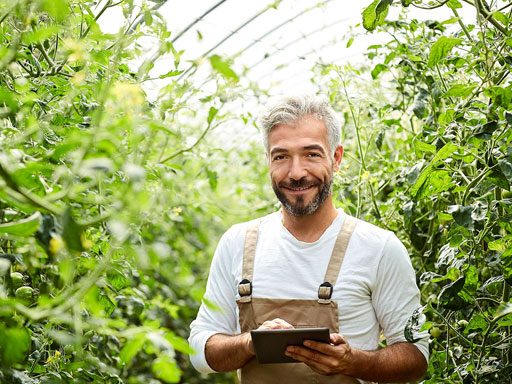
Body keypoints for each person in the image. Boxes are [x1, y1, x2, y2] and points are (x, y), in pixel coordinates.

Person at [188, 95, 429, 383]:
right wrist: (249, 343)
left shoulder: (379, 248)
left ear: (336, 158)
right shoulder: (237, 243)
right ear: (268, 161)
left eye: (311, 154)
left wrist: (353, 362)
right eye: (281, 157)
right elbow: (199, 350)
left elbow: (416, 357)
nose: (296, 172)